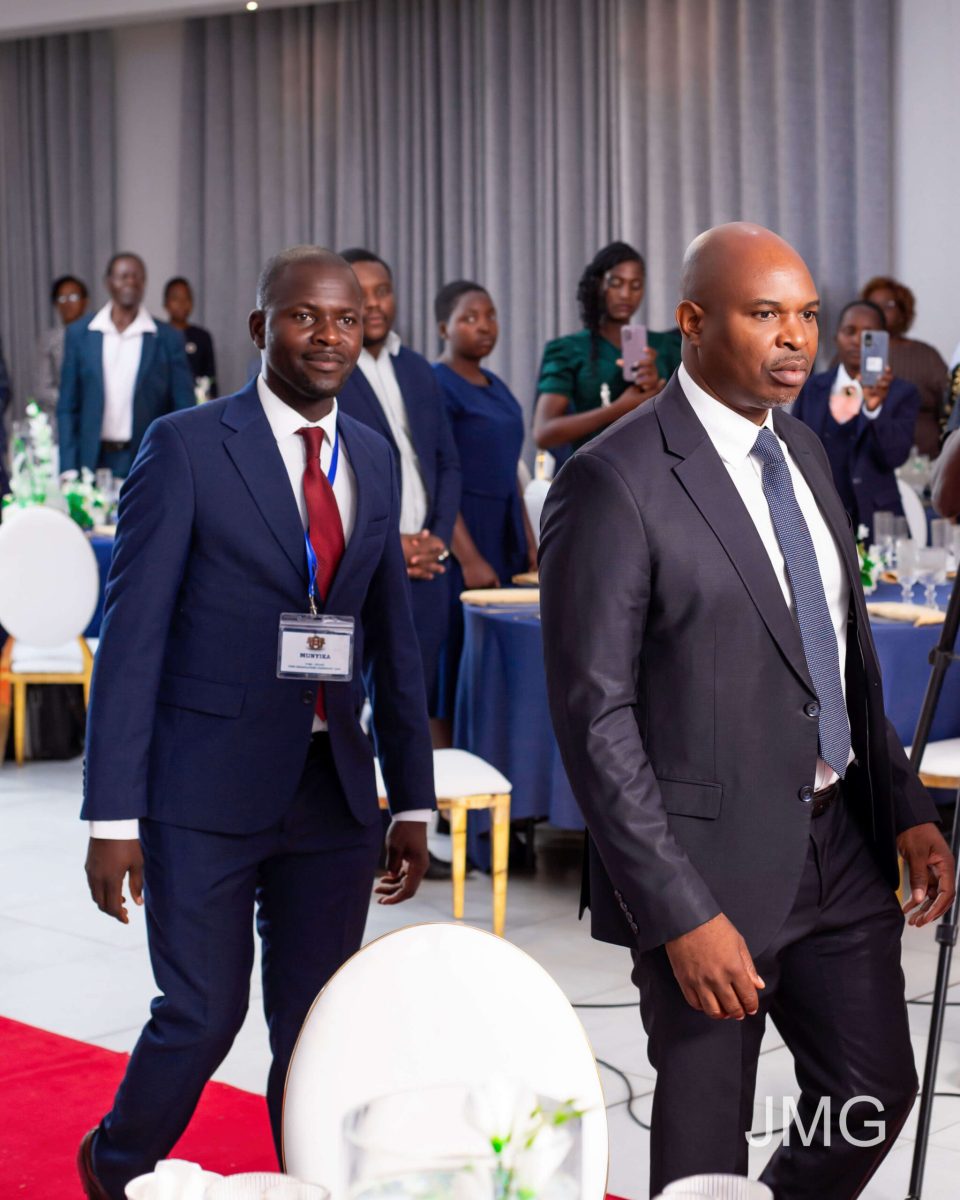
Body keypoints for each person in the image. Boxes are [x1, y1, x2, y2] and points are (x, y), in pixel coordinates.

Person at [539, 222, 955, 1198]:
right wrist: (679, 912)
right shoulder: (612, 480)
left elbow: (839, 664)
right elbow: (596, 723)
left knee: (870, 1093)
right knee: (703, 1155)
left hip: (839, 844)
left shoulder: (801, 449)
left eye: (805, 314)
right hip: (704, 867)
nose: (796, 337)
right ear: (692, 322)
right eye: (765, 313)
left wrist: (905, 808)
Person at [76, 247, 435, 1200]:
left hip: (332, 793)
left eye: (346, 319)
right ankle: (114, 1166)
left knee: (316, 1027)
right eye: (305, 317)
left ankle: (308, 1182)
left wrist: (413, 800)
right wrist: (111, 815)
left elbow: (392, 640)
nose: (328, 336)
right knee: (202, 1013)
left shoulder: (370, 454)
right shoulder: (187, 446)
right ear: (259, 328)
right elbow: (132, 639)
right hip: (202, 788)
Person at [337, 248, 460, 739]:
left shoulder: (417, 369)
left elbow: (448, 462)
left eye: (382, 291)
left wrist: (438, 539)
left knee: (413, 702)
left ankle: (408, 789)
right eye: (360, 293)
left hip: (428, 565)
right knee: (356, 705)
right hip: (364, 563)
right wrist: (391, 545)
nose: (373, 303)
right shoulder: (330, 369)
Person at [432, 280, 538, 718]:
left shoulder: (496, 386)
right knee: (454, 656)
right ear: (444, 328)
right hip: (462, 530)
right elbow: (437, 476)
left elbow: (511, 470)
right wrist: (469, 557)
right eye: (470, 318)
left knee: (496, 661)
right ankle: (445, 757)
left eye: (490, 316)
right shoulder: (436, 383)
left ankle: (487, 747)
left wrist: (530, 540)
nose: (484, 326)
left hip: (504, 525)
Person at [532, 241, 682, 456]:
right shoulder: (568, 350)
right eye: (616, 283)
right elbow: (543, 433)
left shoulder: (668, 347)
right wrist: (618, 409)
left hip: (654, 466)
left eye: (635, 285)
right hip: (593, 466)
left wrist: (657, 391)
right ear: (598, 284)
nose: (625, 294)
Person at [57, 252, 195, 479]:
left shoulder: (167, 337)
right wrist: (68, 467)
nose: (130, 281)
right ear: (108, 282)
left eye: (136, 276)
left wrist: (179, 461)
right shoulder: (80, 334)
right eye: (123, 276)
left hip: (148, 457)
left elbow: (184, 406)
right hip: (91, 458)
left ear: (144, 283)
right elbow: (67, 406)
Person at [792, 300, 920, 540]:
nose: (857, 340)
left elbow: (895, 456)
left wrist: (874, 409)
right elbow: (794, 452)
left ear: (883, 342)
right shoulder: (811, 388)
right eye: (849, 331)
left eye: (868, 335)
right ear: (836, 337)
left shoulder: (902, 393)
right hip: (821, 516)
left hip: (879, 521)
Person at [861, 275, 948, 458]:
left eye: (888, 305)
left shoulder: (926, 355)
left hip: (921, 460)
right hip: (863, 458)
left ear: (903, 311)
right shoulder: (852, 353)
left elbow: (949, 405)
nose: (878, 310)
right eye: (872, 305)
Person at [33, 274, 89, 418]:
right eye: (62, 298)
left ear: (85, 301)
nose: (67, 303)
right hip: (61, 414)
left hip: (96, 414)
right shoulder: (49, 340)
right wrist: (72, 399)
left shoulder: (98, 335)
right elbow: (42, 389)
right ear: (56, 304)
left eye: (73, 297)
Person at [163, 276, 218, 397]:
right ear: (166, 303)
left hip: (195, 402)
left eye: (186, 298)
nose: (181, 303)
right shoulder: (158, 336)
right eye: (176, 298)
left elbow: (210, 379)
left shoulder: (202, 337)